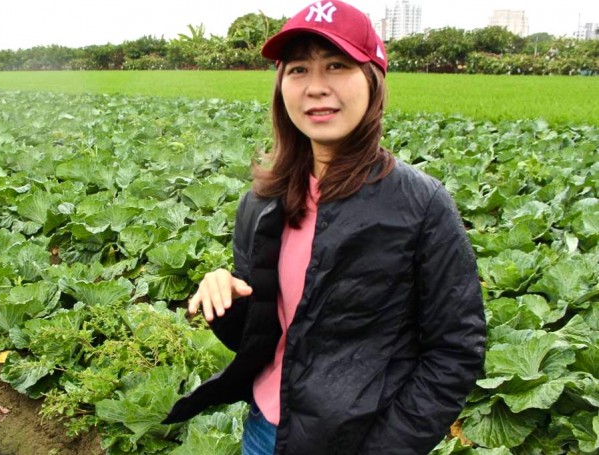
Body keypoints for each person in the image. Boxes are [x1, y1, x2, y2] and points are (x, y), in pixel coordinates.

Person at [162, 1, 487, 454]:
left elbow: (455, 351)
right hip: (263, 432)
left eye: (336, 66)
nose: (316, 87)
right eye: (298, 70)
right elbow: (259, 338)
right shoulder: (260, 202)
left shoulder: (421, 207)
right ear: (281, 87)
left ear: (372, 81)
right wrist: (227, 298)